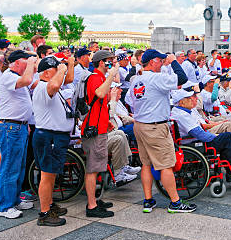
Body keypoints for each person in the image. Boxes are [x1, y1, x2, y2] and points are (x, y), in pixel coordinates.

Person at [127, 49, 195, 213]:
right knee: (166, 165)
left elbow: (129, 99)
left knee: (146, 163)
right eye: (160, 60)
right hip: (155, 126)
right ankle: (175, 202)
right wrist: (173, 61)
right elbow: (182, 78)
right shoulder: (155, 77)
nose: (162, 62)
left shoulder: (137, 79)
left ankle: (148, 200)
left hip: (140, 124)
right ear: (152, 62)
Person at [171, 88, 231, 183]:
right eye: (189, 98)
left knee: (224, 138)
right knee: (227, 137)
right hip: (195, 144)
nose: (192, 100)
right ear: (181, 102)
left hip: (194, 141)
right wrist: (215, 136)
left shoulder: (181, 112)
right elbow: (200, 135)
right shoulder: (182, 115)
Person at [0, 50, 37, 219]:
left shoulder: (14, 77)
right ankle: (4, 206)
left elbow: (32, 83)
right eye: (25, 61)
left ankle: (14, 199)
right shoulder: (8, 77)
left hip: (18, 127)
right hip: (10, 128)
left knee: (18, 167)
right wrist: (32, 62)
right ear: (17, 62)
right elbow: (27, 80)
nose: (28, 64)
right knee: (9, 167)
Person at [31, 56, 73, 226]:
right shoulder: (44, 87)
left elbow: (67, 79)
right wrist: (62, 69)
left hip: (54, 136)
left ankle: (48, 204)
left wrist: (68, 65)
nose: (60, 75)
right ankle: (44, 213)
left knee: (51, 174)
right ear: (48, 73)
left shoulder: (48, 85)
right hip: (49, 137)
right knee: (47, 176)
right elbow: (56, 84)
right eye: (56, 71)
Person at [81, 50, 120, 218]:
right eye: (109, 60)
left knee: (98, 167)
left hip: (99, 127)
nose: (112, 63)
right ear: (102, 62)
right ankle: (91, 205)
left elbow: (99, 104)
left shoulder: (99, 77)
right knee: (93, 168)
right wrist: (111, 76)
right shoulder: (95, 77)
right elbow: (100, 94)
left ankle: (95, 200)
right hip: (94, 130)